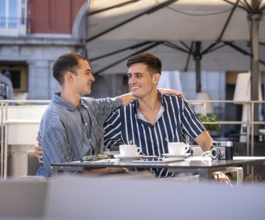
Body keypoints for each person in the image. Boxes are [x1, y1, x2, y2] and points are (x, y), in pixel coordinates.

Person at [36, 52, 181, 177]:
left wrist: (156, 90)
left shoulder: (90, 105)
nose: (93, 78)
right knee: (140, 178)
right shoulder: (54, 118)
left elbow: (118, 101)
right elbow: (64, 173)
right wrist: (111, 169)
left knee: (143, 177)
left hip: (94, 182)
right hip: (63, 190)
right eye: (87, 73)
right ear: (70, 77)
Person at [103, 52, 228, 182]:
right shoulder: (121, 114)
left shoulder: (177, 104)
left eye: (138, 76)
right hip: (142, 186)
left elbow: (205, 141)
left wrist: (215, 169)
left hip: (180, 182)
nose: (132, 81)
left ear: (155, 78)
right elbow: (99, 144)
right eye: (130, 76)